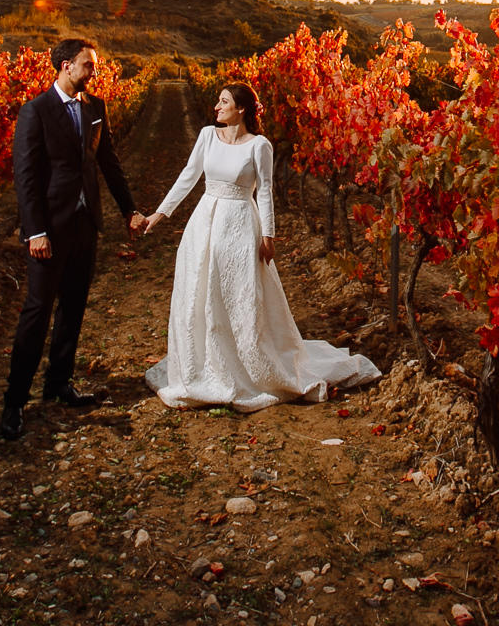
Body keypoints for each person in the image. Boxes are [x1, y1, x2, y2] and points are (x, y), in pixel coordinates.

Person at [141, 83, 380, 411]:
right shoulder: (207, 136)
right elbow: (188, 176)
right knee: (202, 289)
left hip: (240, 224)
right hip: (205, 224)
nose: (216, 106)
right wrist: (160, 213)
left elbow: (264, 191)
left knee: (240, 294)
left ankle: (247, 363)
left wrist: (268, 236)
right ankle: (205, 363)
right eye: (218, 100)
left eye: (223, 101)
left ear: (241, 108)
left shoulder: (260, 145)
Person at [0, 37, 144, 440]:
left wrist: (128, 209)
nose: (93, 72)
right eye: (87, 65)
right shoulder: (36, 111)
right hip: (49, 229)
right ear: (65, 66)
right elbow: (25, 178)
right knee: (37, 312)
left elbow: (108, 161)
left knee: (74, 307)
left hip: (85, 223)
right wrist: (35, 232)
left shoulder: (95, 107)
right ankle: (14, 401)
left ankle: (58, 383)